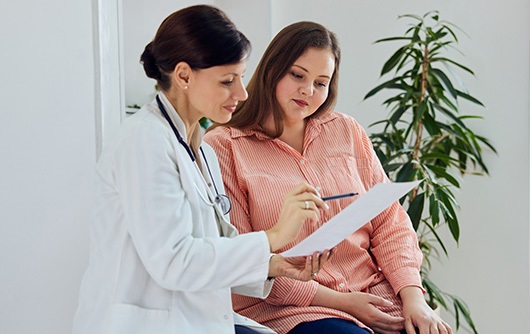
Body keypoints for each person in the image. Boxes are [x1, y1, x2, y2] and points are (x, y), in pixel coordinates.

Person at [72, 7, 333, 334]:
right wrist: (274, 237)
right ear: (183, 76)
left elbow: (215, 246)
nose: (242, 93)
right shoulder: (144, 141)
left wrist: (273, 265)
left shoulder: (202, 150)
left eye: (240, 77)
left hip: (198, 320)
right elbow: (174, 262)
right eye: (227, 81)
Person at [204, 21, 453, 334]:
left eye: (321, 82)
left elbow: (391, 223)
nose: (308, 91)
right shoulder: (224, 146)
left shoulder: (346, 131)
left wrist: (414, 298)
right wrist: (344, 303)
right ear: (272, 69)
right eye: (297, 75)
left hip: (372, 294)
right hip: (291, 309)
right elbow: (242, 256)